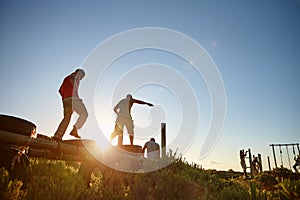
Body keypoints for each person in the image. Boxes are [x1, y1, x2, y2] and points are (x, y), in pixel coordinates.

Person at [52, 69, 88, 141]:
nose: (81, 79)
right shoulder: (75, 76)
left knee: (66, 118)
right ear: (80, 73)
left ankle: (57, 136)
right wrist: (75, 97)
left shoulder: (66, 78)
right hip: (73, 99)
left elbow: (60, 90)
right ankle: (75, 130)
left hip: (65, 100)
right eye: (82, 77)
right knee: (84, 114)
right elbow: (74, 84)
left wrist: (64, 98)